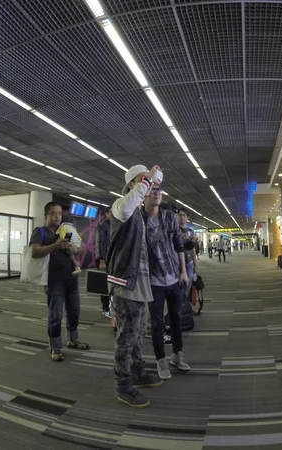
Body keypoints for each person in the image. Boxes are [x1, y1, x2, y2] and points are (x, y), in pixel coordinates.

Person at [107, 164, 164, 408]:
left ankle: (138, 372)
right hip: (125, 285)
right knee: (126, 338)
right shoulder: (120, 207)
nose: (149, 184)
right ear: (132, 184)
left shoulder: (138, 214)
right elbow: (129, 204)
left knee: (139, 334)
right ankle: (124, 386)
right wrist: (147, 181)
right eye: (142, 180)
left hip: (139, 283)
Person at [30, 202, 89, 362]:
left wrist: (75, 249)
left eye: (59, 214)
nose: (57, 216)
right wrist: (55, 246)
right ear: (46, 215)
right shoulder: (40, 232)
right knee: (55, 314)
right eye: (53, 213)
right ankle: (55, 347)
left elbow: (81, 248)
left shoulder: (67, 230)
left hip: (71, 278)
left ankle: (73, 339)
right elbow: (35, 252)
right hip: (53, 280)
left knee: (74, 311)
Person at [143, 188, 190, 380]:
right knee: (156, 322)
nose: (157, 193)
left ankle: (177, 354)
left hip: (174, 278)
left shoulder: (169, 216)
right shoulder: (139, 219)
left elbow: (179, 245)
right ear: (143, 193)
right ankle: (160, 359)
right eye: (152, 190)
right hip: (153, 280)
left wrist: (184, 271)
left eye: (159, 190)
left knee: (176, 318)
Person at [95, 208, 112, 318]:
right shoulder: (102, 225)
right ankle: (105, 308)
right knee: (105, 286)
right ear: (106, 214)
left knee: (111, 284)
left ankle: (110, 307)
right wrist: (101, 260)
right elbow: (99, 243)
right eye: (111, 212)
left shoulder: (114, 224)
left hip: (111, 258)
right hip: (104, 259)